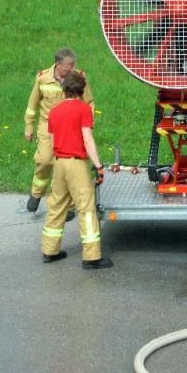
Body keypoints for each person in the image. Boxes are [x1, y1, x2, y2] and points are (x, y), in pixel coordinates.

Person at [40, 72, 112, 269]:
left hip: (59, 162)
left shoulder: (54, 111)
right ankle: (92, 256)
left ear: (64, 90)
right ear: (82, 90)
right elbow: (87, 140)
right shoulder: (83, 110)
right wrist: (98, 166)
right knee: (86, 208)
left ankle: (50, 251)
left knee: (57, 206)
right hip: (76, 164)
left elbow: (52, 140)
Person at [24, 48, 94, 214]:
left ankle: (69, 206)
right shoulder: (43, 79)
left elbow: (89, 102)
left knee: (70, 165)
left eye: (73, 64)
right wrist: (29, 126)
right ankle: (36, 193)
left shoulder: (79, 78)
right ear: (58, 64)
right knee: (44, 160)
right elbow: (32, 105)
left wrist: (87, 124)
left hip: (71, 127)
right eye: (69, 65)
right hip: (47, 125)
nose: (72, 68)